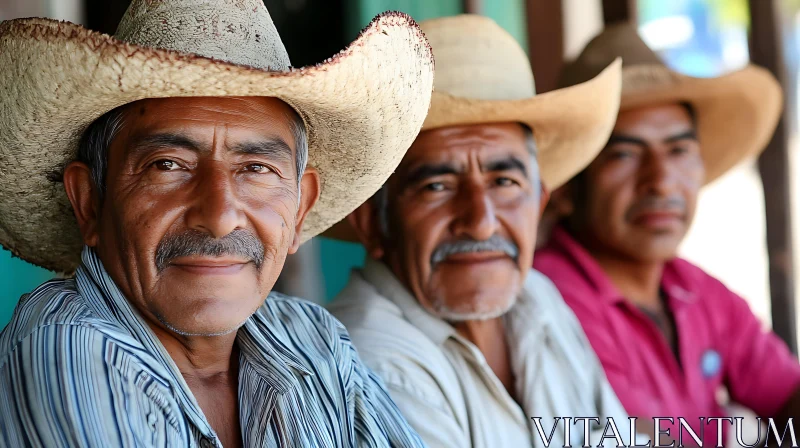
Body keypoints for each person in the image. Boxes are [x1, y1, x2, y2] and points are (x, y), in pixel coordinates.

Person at [0, 0, 434, 446]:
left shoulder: (313, 339)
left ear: (300, 208)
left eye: (256, 168)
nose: (221, 217)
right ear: (90, 201)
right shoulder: (67, 351)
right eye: (168, 165)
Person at [326, 15, 633, 448]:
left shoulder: (537, 298)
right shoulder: (368, 358)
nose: (481, 221)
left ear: (539, 204)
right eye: (437, 186)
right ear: (372, 223)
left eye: (505, 182)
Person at [535, 23, 800, 447]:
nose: (660, 181)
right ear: (566, 187)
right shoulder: (549, 299)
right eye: (624, 153)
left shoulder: (693, 289)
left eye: (678, 150)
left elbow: (785, 394)